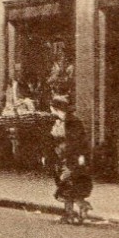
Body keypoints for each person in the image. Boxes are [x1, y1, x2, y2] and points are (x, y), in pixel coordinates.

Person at [49, 96, 93, 224]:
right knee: (65, 184)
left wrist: (79, 158)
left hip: (72, 157)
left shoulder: (74, 122)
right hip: (60, 156)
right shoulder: (55, 122)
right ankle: (71, 213)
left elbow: (80, 142)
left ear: (56, 109)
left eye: (53, 108)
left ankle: (79, 208)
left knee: (69, 182)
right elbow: (50, 139)